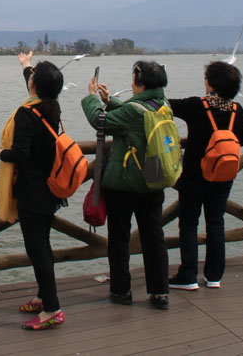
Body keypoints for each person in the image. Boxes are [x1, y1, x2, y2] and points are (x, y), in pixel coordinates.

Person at [81, 60, 170, 310]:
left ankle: (121, 290)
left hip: (124, 184)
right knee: (154, 237)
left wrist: (92, 98)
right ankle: (159, 292)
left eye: (133, 77)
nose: (132, 82)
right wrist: (111, 101)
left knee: (119, 238)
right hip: (153, 182)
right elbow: (134, 113)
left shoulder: (133, 111)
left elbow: (101, 122)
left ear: (139, 82)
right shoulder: (163, 105)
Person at [0, 52, 65, 330]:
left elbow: (20, 153)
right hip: (50, 188)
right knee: (43, 243)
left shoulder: (26, 113)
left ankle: (53, 309)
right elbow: (39, 87)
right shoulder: (51, 106)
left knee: (37, 248)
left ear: (34, 86)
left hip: (32, 190)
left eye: (31, 77)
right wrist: (26, 66)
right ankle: (45, 296)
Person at [167, 61, 243, 291]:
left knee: (189, 224)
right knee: (216, 223)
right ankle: (214, 276)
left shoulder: (196, 105)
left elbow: (165, 105)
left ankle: (189, 275)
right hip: (223, 175)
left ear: (211, 83)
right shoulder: (236, 110)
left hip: (194, 174)